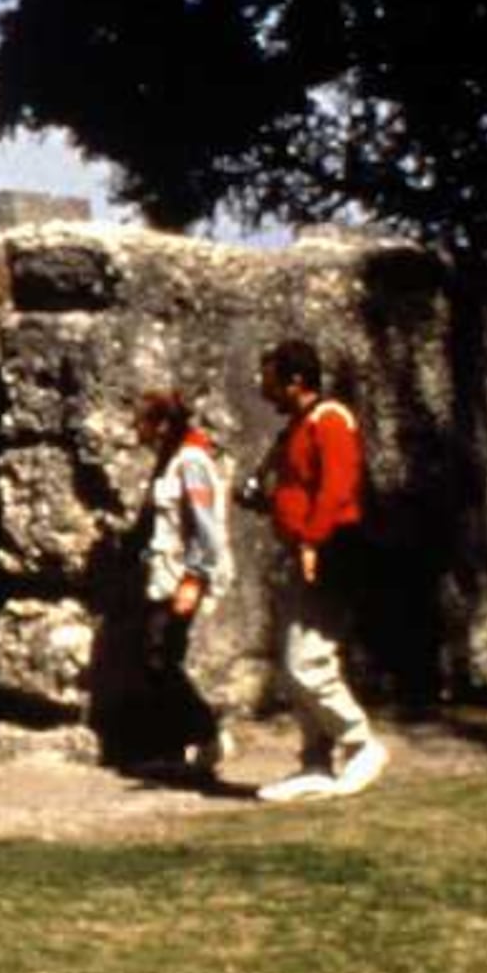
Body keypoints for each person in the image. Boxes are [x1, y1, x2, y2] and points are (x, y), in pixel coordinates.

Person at [248, 338, 388, 802]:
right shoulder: (296, 427)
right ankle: (314, 761)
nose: (261, 386)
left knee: (308, 661)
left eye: (268, 376)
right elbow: (296, 490)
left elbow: (336, 488)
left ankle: (359, 741)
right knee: (292, 664)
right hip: (302, 550)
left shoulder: (330, 420)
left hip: (330, 551)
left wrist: (312, 541)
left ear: (295, 380)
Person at [130, 387, 233, 779]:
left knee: (159, 657)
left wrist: (194, 578)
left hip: (180, 578)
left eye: (142, 421)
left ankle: (205, 734)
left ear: (163, 424)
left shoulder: (191, 462)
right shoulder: (171, 461)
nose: (135, 429)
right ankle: (178, 746)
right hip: (165, 577)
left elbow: (205, 528)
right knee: (158, 657)